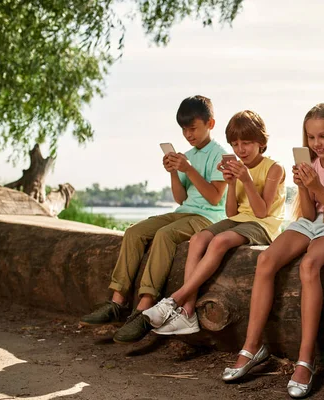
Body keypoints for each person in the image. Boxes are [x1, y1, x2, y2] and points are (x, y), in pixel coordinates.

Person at [222, 103, 324, 398]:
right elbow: (308, 212)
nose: (317, 144)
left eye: (323, 137)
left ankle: (306, 358)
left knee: (309, 264)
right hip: (311, 221)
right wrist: (305, 184)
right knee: (265, 260)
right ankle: (251, 346)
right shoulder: (310, 163)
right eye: (311, 138)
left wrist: (318, 187)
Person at [79, 95, 228, 344]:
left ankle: (144, 306)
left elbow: (214, 198)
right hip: (185, 212)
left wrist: (188, 169)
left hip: (208, 217)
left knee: (164, 235)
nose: (188, 134)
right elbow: (181, 199)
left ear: (210, 124)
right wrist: (173, 172)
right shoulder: (187, 154)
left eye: (193, 128)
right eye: (183, 129)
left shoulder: (220, 156)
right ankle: (117, 301)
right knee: (134, 232)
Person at [142, 110, 286, 335]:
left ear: (261, 142)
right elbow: (230, 212)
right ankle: (188, 313)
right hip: (239, 220)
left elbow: (261, 212)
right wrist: (230, 183)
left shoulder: (274, 168)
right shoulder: (237, 167)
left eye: (247, 143)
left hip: (264, 225)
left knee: (219, 241)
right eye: (235, 144)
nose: (240, 150)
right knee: (198, 239)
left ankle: (175, 300)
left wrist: (246, 180)